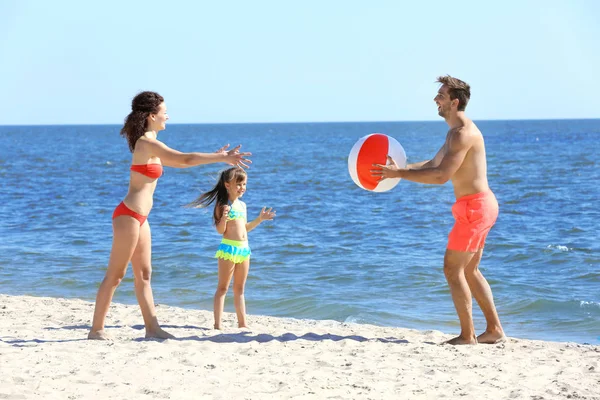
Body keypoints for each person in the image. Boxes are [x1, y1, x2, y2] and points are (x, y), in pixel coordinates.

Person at [88, 91, 252, 340]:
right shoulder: (146, 143)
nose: (168, 116)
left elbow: (180, 162)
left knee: (144, 275)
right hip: (128, 216)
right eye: (165, 112)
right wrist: (222, 157)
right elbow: (184, 159)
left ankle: (152, 329)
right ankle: (96, 329)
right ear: (153, 115)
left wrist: (214, 157)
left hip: (141, 218)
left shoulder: (151, 143)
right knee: (116, 274)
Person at [371, 76, 505, 345]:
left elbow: (441, 176)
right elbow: (433, 163)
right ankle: (494, 330)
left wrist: (399, 173)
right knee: (470, 271)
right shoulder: (454, 132)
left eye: (441, 95)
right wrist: (398, 171)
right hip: (478, 206)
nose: (436, 99)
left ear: (455, 102)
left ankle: (468, 336)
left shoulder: (462, 133)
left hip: (475, 209)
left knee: (452, 269)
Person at [188, 167, 275, 330]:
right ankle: (217, 324)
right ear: (227, 185)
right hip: (228, 250)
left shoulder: (242, 205)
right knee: (222, 288)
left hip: (244, 250)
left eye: (244, 184)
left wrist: (260, 219)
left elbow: (245, 228)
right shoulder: (222, 205)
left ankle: (242, 324)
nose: (242, 187)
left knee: (240, 289)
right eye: (239, 184)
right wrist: (224, 219)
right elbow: (220, 231)